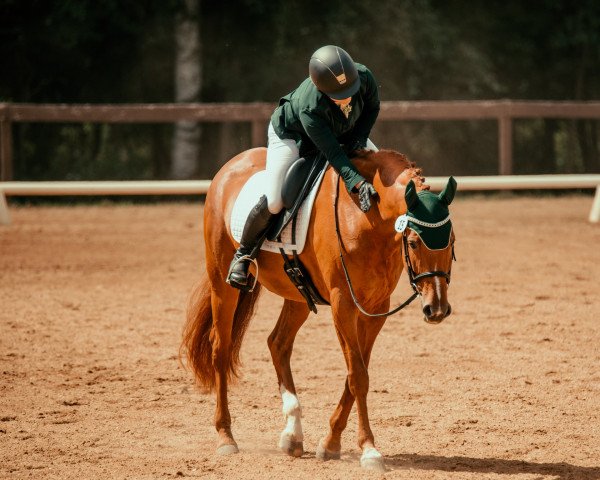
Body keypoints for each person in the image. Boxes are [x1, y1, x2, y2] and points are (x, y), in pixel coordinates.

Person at [227, 45, 380, 289]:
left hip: (343, 132)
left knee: (379, 162)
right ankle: (243, 255)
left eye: (349, 90)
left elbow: (371, 108)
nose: (348, 97)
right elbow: (333, 154)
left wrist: (359, 140)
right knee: (276, 199)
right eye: (339, 95)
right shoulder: (311, 107)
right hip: (293, 136)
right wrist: (358, 182)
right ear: (322, 89)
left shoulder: (362, 77)